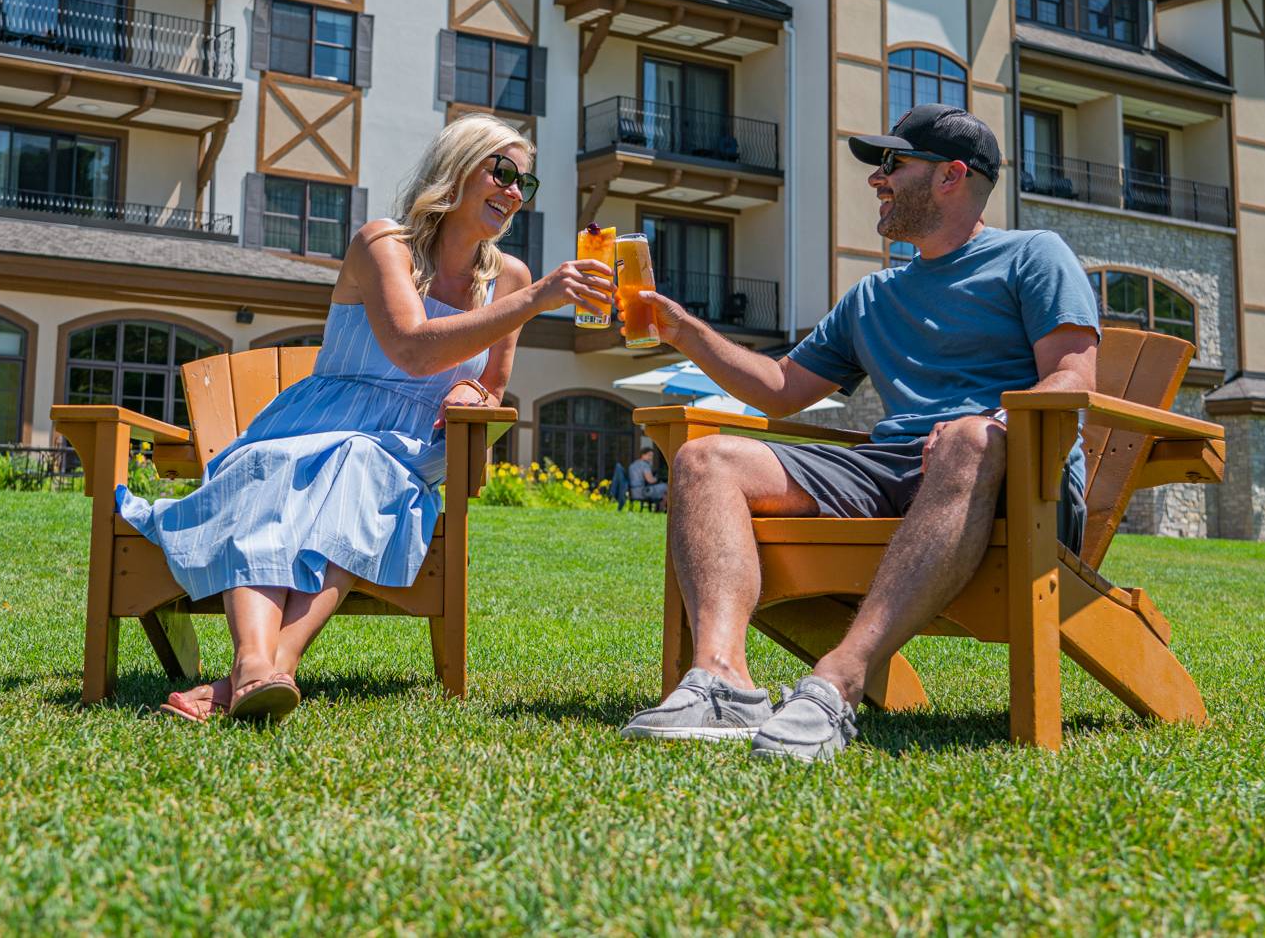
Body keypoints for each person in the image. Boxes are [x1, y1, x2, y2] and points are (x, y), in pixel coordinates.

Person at [618, 104, 1100, 763]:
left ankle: (837, 682)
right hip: (893, 468)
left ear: (951, 176)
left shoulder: (1031, 256)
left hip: (1019, 477)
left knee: (964, 440)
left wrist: (987, 422)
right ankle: (722, 680)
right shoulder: (874, 296)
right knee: (705, 460)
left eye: (891, 164)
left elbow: (1073, 377)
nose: (876, 180)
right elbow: (779, 387)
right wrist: (679, 329)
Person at [120, 115, 614, 723]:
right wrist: (538, 300)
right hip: (318, 422)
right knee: (275, 470)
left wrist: (471, 394)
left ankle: (255, 674)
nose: (515, 192)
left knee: (361, 469)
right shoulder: (385, 244)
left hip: (407, 444)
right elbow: (411, 348)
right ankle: (258, 670)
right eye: (503, 172)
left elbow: (490, 385)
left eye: (526, 184)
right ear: (457, 169)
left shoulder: (507, 278)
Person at [625, 445, 665, 512]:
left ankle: (659, 509)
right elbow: (650, 480)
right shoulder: (645, 465)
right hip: (642, 492)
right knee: (665, 487)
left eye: (652, 456)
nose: (651, 458)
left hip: (633, 492)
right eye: (649, 455)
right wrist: (658, 479)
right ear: (643, 455)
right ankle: (660, 510)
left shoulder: (633, 465)